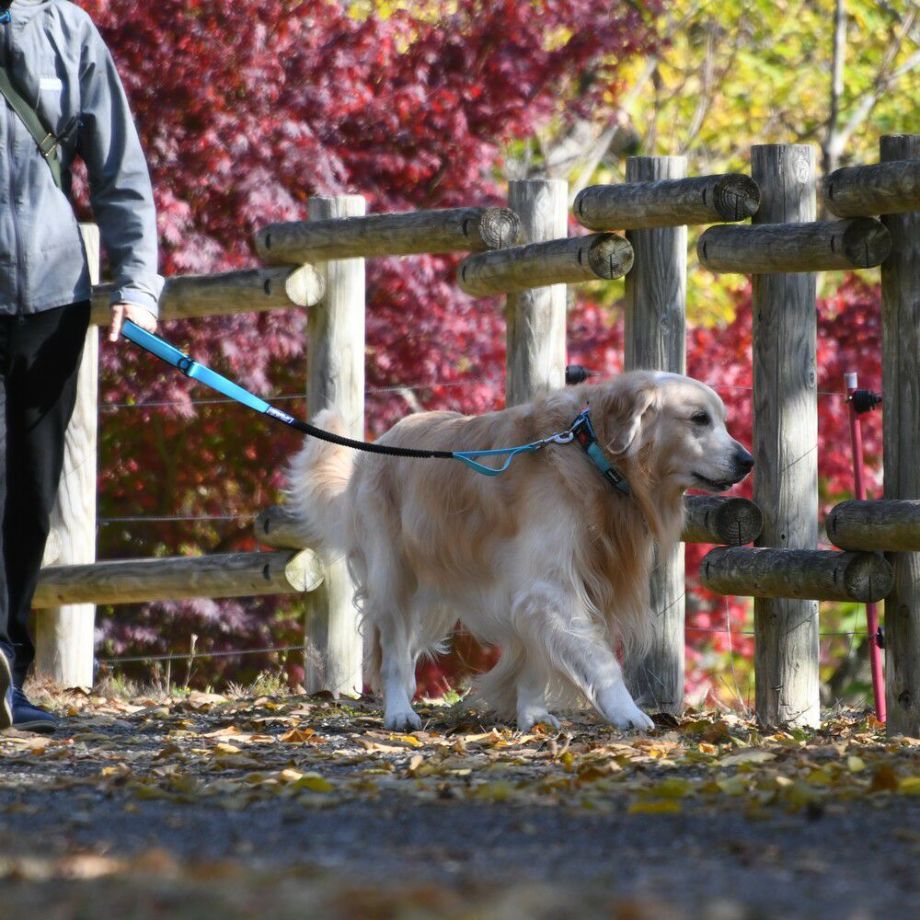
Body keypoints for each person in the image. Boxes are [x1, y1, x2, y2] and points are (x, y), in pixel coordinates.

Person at [1, 0, 162, 732]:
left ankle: (8, 672)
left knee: (32, 497)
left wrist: (137, 284)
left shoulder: (67, 30)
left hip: (52, 296)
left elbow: (119, 165)